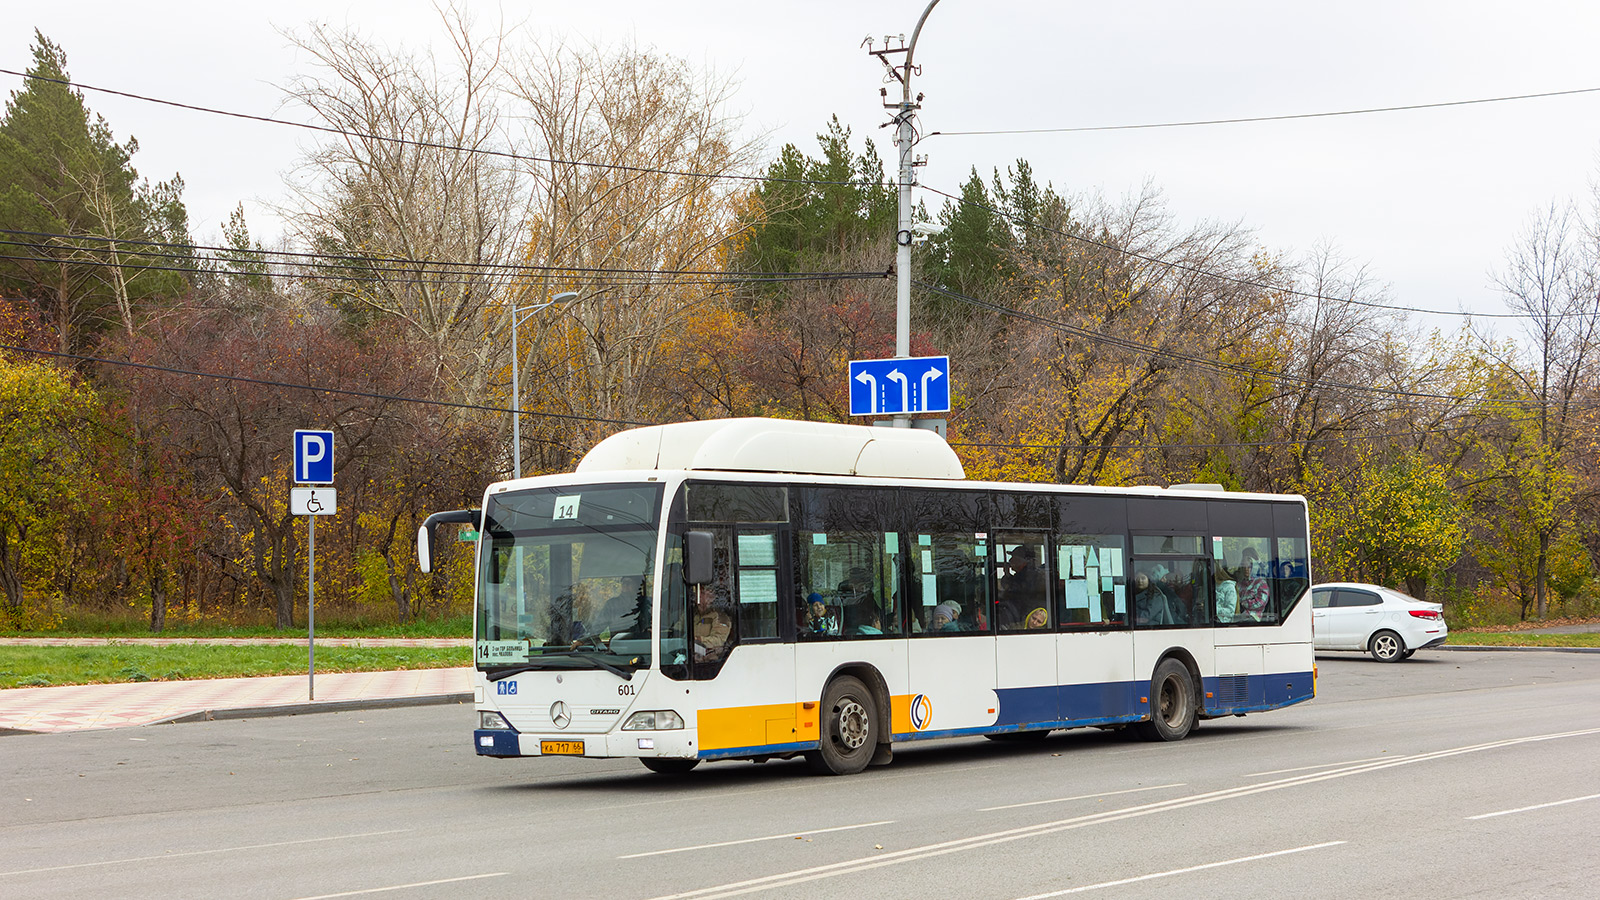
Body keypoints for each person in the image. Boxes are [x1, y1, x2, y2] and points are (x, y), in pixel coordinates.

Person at [998, 545, 1046, 628]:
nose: (1010, 560)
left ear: (1021, 561)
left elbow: (1015, 591)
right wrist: (1007, 574)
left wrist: (1007, 577)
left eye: (1013, 558)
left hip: (1023, 612)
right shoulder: (1022, 575)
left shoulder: (1028, 575)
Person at [691, 585, 733, 662]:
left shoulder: (720, 617)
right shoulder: (691, 615)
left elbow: (719, 640)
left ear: (712, 597)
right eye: (697, 594)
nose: (699, 597)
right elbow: (678, 630)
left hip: (710, 660)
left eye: (703, 594)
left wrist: (699, 639)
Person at [1236, 548, 1270, 620]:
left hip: (1254, 617)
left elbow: (1261, 602)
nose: (1246, 569)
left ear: (1253, 567)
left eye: (1248, 567)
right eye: (1244, 567)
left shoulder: (1261, 583)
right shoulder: (1240, 584)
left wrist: (1244, 603)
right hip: (1240, 616)